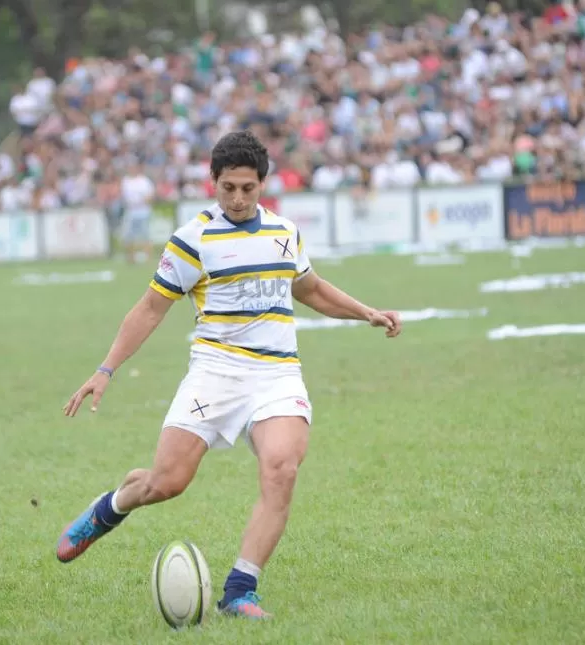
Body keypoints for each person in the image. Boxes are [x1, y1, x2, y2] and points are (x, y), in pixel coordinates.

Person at [56, 131, 402, 619]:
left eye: (248, 188)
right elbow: (151, 308)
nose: (238, 198)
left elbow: (311, 288)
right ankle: (110, 507)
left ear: (262, 184)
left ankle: (240, 590)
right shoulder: (193, 239)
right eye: (228, 188)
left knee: (281, 468)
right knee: (168, 482)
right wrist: (105, 369)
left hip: (277, 374)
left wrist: (365, 312)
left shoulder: (284, 232)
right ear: (213, 183)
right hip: (215, 374)